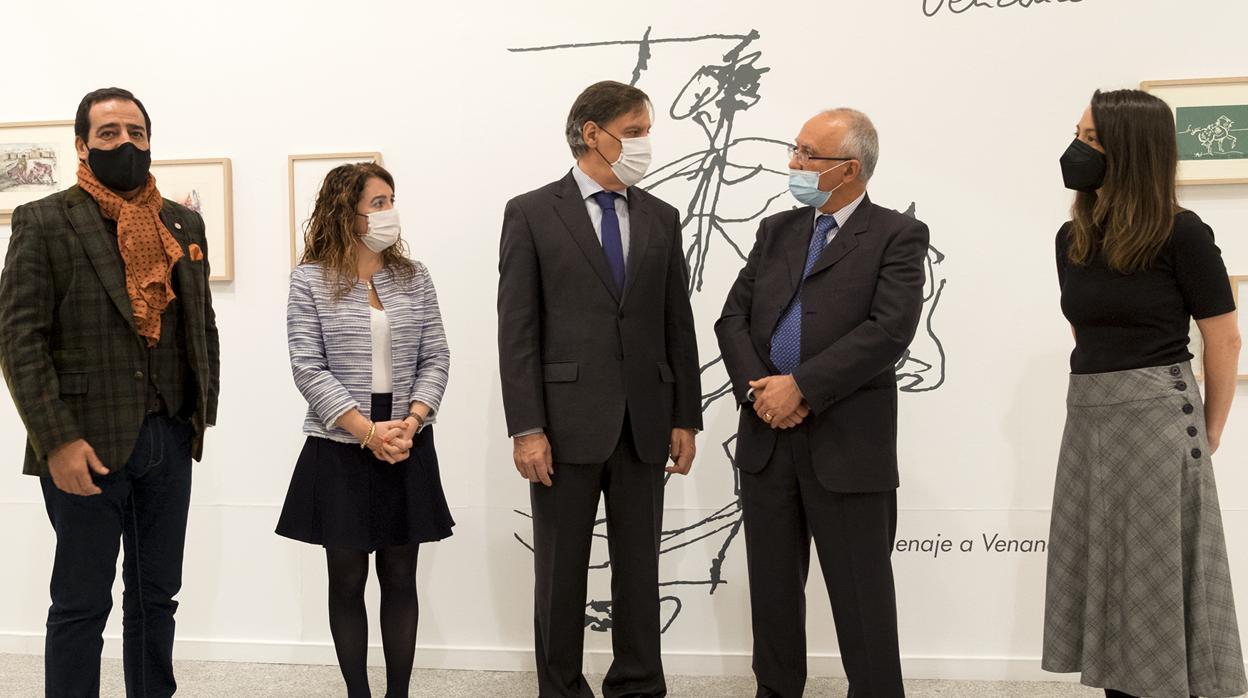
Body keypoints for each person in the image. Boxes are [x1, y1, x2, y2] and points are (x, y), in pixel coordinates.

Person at [0, 87, 220, 697]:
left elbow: (200, 322)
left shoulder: (184, 222)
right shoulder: (44, 220)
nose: (126, 143)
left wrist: (197, 416)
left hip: (167, 440)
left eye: (137, 133)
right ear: (82, 144)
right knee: (80, 602)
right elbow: (20, 340)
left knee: (157, 599)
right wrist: (56, 441)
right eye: (109, 134)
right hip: (83, 447)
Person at [497, 80, 702, 697]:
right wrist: (526, 426)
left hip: (645, 422)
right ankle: (560, 688)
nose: (645, 144)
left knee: (639, 570)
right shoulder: (531, 212)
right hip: (562, 426)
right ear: (593, 133)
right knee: (561, 573)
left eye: (646, 132)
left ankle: (638, 684)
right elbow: (518, 330)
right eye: (635, 132)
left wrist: (684, 416)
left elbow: (677, 325)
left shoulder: (662, 218)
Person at [715, 108, 929, 698]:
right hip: (766, 437)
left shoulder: (897, 235)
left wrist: (801, 387)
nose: (794, 163)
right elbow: (732, 318)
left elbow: (889, 331)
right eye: (795, 149)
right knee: (774, 596)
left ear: (850, 169)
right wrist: (763, 389)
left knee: (862, 598)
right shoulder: (776, 231)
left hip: (847, 444)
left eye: (808, 154)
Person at [1042, 88, 1247, 698]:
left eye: (1093, 140)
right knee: (1107, 577)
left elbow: (1225, 339)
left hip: (1159, 415)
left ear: (1129, 152)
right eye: (1078, 133)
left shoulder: (1182, 233)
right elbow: (1084, 329)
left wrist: (1211, 426)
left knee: (1152, 582)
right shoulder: (1071, 237)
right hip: (1089, 417)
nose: (1077, 149)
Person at [277, 162, 454, 698]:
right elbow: (307, 366)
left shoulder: (413, 275)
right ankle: (358, 693)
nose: (389, 212)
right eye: (378, 203)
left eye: (391, 200)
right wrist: (366, 431)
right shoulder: (308, 280)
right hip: (342, 445)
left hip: (407, 439)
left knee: (401, 576)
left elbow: (436, 355)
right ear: (345, 212)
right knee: (347, 579)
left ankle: (398, 693)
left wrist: (411, 421)